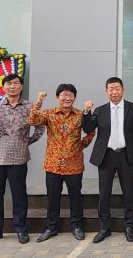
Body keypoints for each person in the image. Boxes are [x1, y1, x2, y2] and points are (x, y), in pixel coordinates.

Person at [0, 74, 44, 245]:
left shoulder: (29, 106)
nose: (12, 86)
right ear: (3, 87)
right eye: (9, 84)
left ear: (21, 86)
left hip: (18, 157)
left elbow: (40, 127)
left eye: (15, 83)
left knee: (19, 195)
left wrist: (26, 142)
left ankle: (20, 229)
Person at [29, 84, 95, 242]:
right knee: (53, 198)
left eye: (70, 95)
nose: (67, 98)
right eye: (64, 95)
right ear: (57, 97)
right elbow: (32, 120)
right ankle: (51, 227)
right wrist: (39, 101)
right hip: (53, 164)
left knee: (75, 198)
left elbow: (91, 130)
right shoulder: (49, 113)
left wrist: (81, 145)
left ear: (74, 98)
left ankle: (77, 226)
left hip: (74, 164)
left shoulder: (80, 114)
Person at [82, 77, 133, 243]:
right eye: (111, 89)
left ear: (123, 90)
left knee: (128, 193)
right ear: (106, 91)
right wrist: (86, 112)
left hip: (125, 154)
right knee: (104, 193)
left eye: (117, 88)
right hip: (106, 155)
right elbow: (88, 128)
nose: (114, 92)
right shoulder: (99, 110)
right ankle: (104, 228)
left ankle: (129, 226)